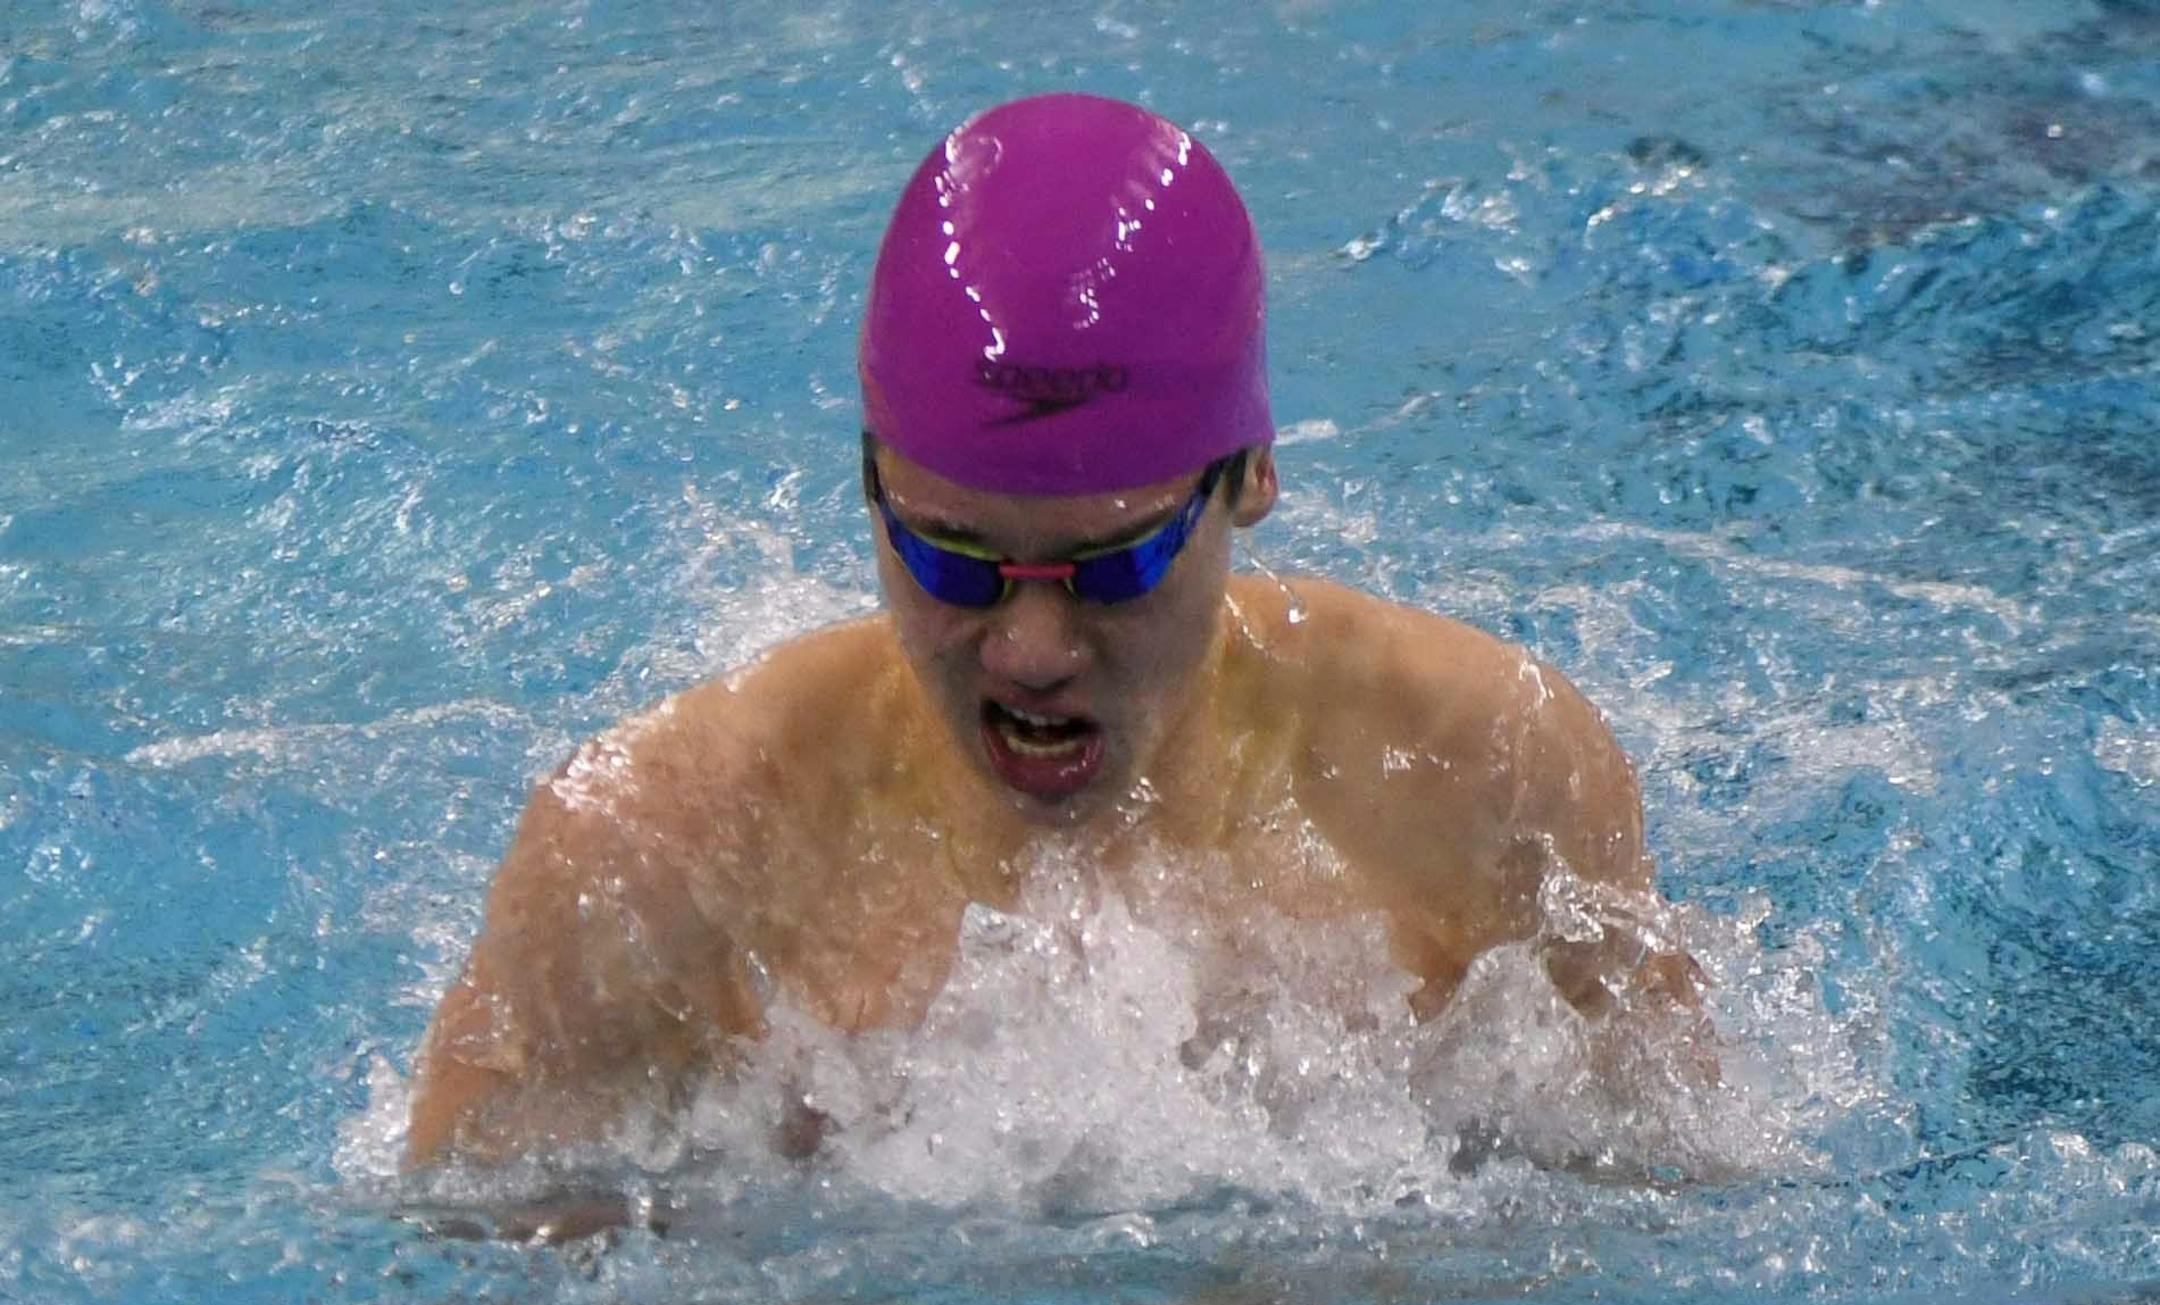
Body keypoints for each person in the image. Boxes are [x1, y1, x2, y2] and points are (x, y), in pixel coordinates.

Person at [403, 92, 1702, 1173]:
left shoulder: (1483, 769)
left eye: (1113, 562)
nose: (1029, 647)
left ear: (1248, 476)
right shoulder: (655, 856)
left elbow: (1681, 1220)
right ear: (865, 477)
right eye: (947, 558)